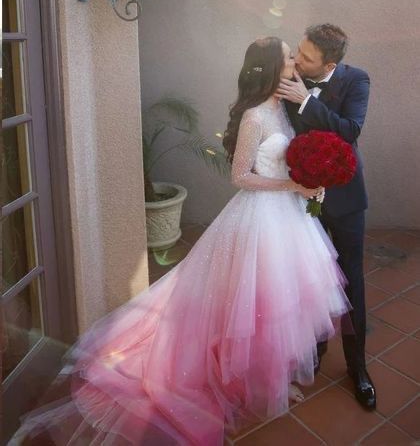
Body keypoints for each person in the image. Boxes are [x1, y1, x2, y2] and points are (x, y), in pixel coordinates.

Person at [14, 37, 350, 446]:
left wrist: (308, 180)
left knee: (277, 305)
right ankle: (238, 382)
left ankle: (271, 380)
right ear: (269, 67)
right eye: (287, 57)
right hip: (260, 218)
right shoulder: (255, 117)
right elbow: (239, 177)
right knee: (246, 307)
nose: (294, 61)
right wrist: (292, 185)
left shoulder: (285, 108)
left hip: (288, 219)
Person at [278, 23, 375, 410]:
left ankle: (358, 367)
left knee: (351, 280)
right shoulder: (289, 74)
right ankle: (313, 352)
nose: (297, 61)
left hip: (346, 197)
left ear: (330, 63)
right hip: (302, 198)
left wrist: (306, 102)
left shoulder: (357, 80)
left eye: (306, 58)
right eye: (298, 51)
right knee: (309, 279)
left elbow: (350, 130)